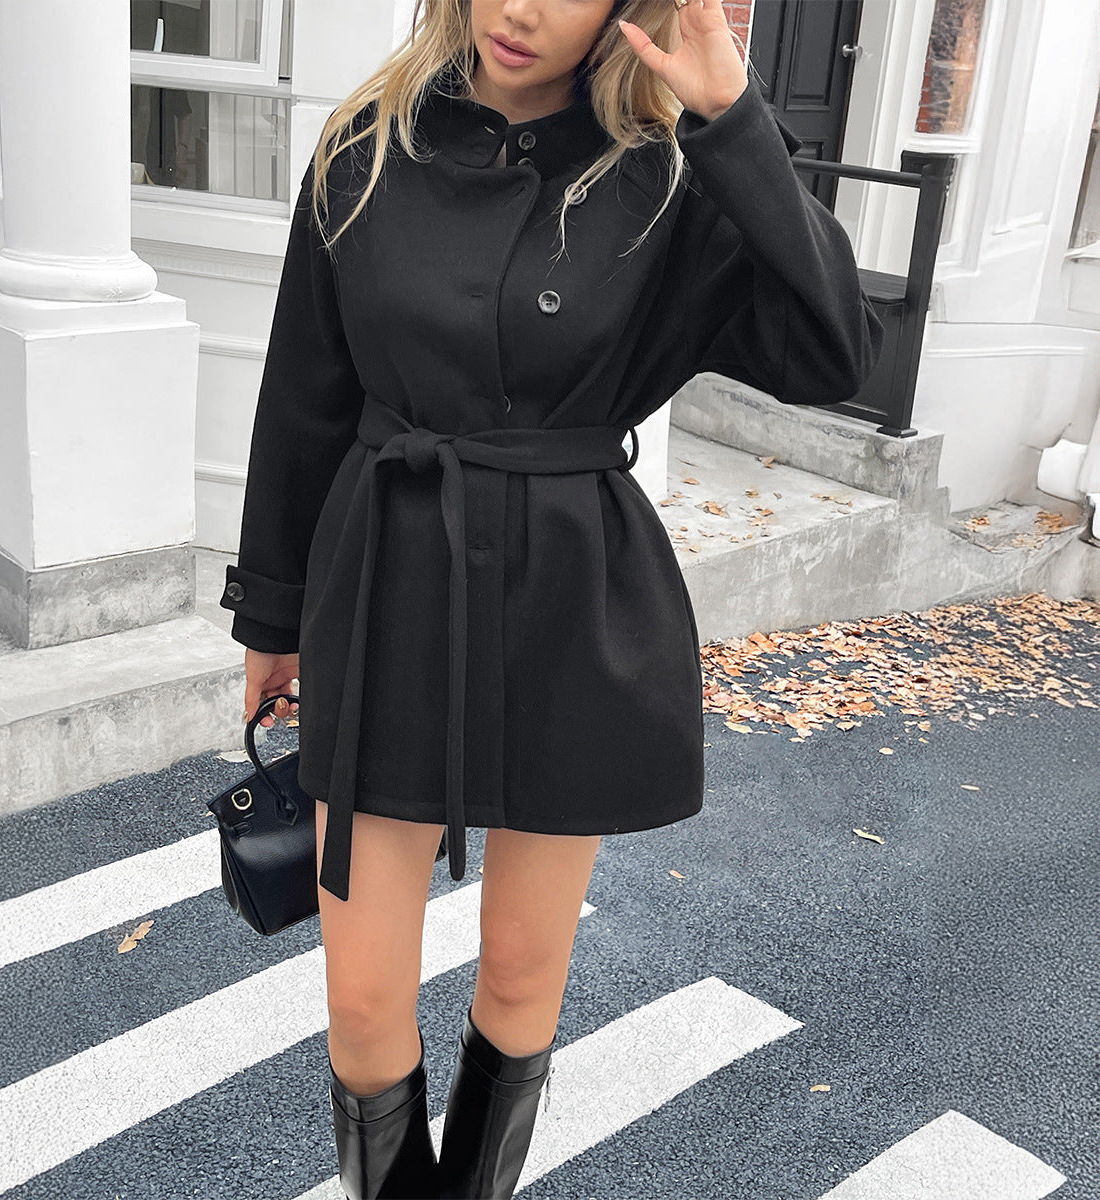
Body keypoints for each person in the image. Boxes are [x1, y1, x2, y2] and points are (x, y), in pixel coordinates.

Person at [219, 1, 884, 1197]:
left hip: (569, 603)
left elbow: (836, 350)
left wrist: (733, 117)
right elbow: (303, 392)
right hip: (388, 587)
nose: (523, 8)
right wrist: (271, 614)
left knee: (523, 979)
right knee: (363, 1000)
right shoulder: (366, 145)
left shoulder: (663, 176)